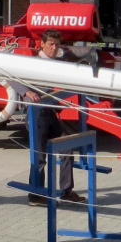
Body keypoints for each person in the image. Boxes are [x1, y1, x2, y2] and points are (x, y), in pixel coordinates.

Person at [22, 30, 85, 206]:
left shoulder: (57, 62)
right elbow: (11, 78)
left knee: (67, 147)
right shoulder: (31, 62)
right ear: (42, 44)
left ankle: (66, 191)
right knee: (40, 157)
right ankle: (35, 196)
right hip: (37, 116)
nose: (54, 47)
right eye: (50, 44)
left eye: (57, 44)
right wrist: (26, 91)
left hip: (50, 114)